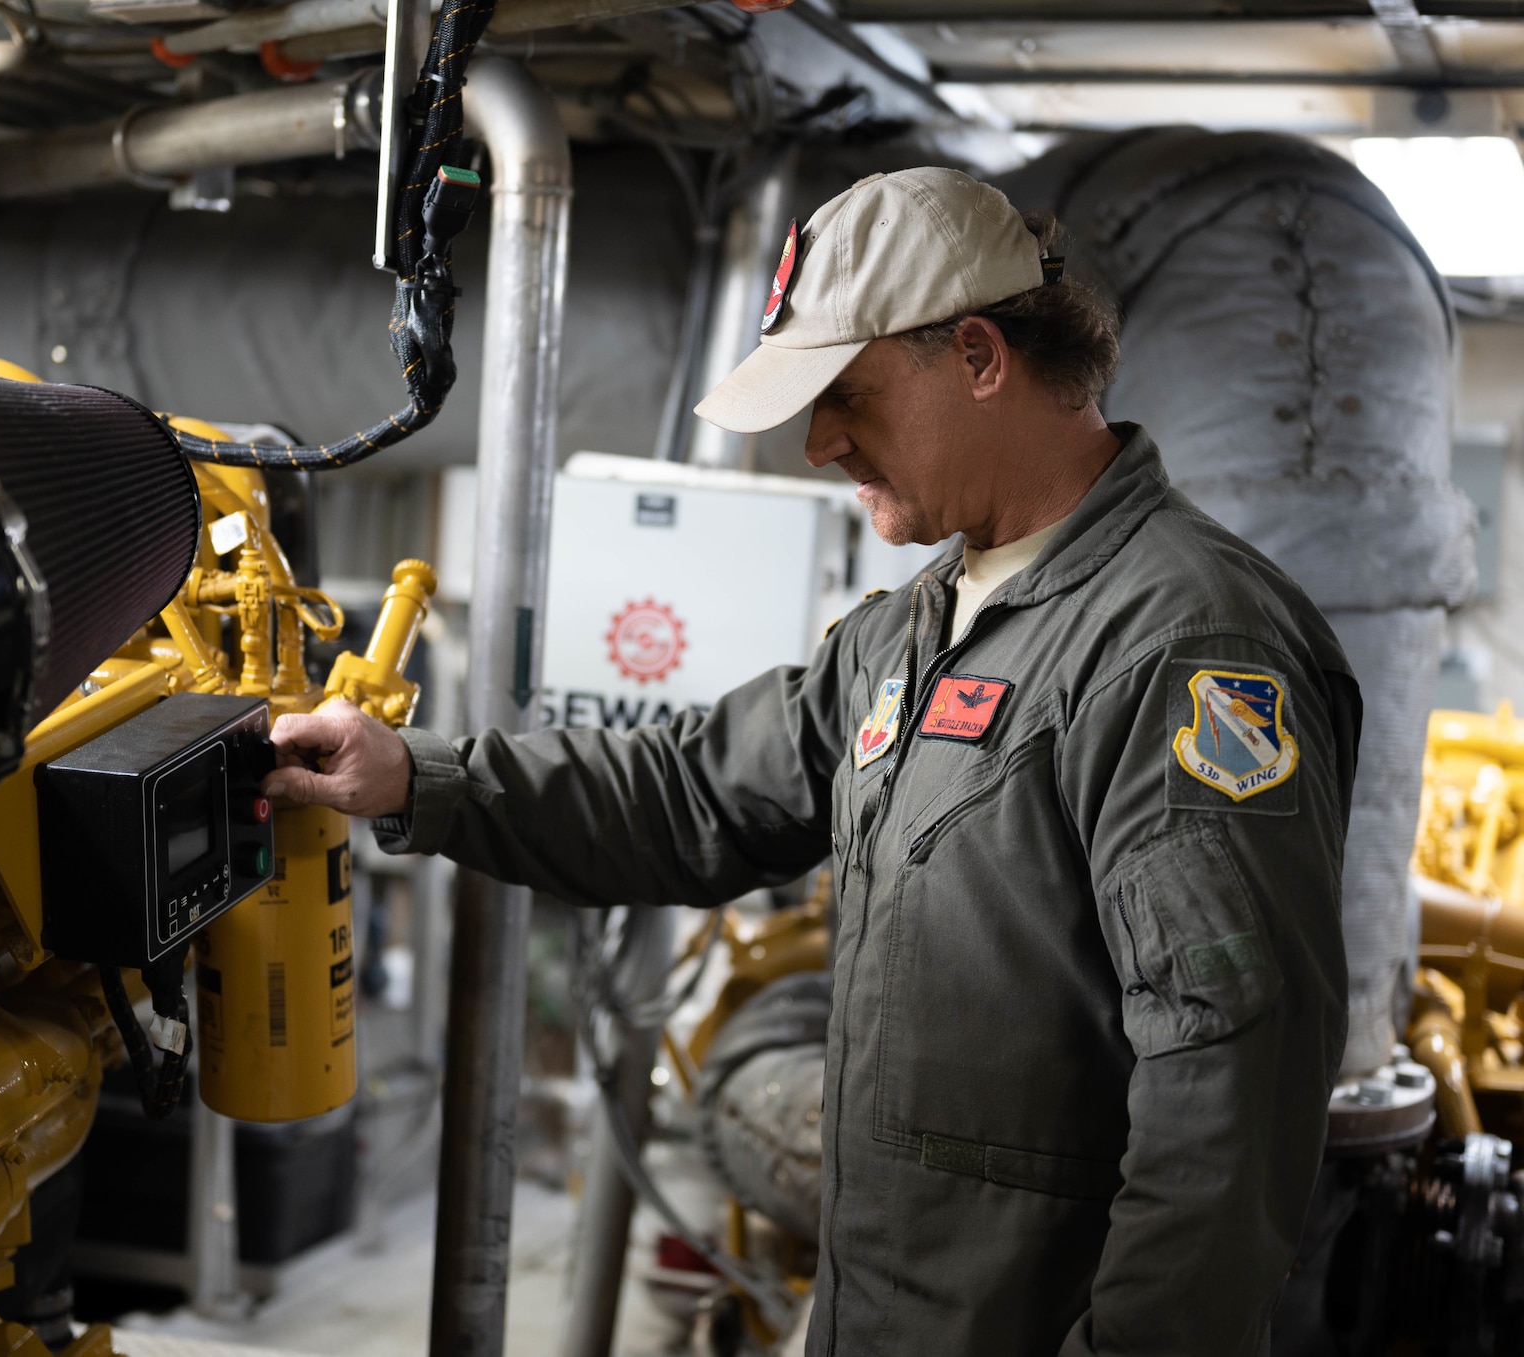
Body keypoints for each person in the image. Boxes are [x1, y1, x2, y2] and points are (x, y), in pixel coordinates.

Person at [263, 167, 1360, 1356]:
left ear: (979, 355)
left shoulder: (1180, 645)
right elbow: (692, 790)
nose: (818, 440)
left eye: (847, 392)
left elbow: (1223, 1102)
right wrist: (417, 778)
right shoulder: (916, 627)